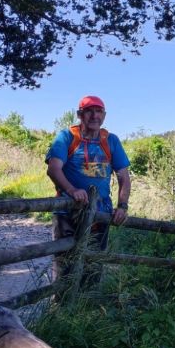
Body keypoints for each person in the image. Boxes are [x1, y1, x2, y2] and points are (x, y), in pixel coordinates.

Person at [45, 95, 131, 286]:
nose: (94, 116)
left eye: (99, 111)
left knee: (93, 267)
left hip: (101, 214)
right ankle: (61, 302)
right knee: (65, 265)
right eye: (89, 111)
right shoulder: (67, 137)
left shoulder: (111, 141)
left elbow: (124, 177)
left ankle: (87, 303)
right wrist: (71, 190)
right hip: (68, 213)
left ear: (104, 115)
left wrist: (122, 206)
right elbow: (53, 169)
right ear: (79, 114)